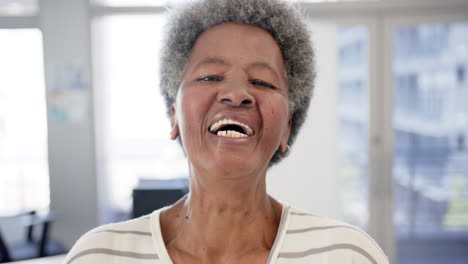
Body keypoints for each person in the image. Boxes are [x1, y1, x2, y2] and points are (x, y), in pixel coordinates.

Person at [63, 0, 389, 263]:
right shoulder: (99, 255)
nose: (235, 94)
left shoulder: (347, 254)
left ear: (286, 127)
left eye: (261, 81)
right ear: (174, 115)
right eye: (209, 77)